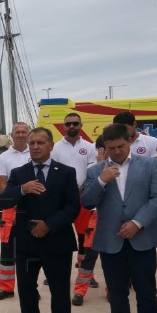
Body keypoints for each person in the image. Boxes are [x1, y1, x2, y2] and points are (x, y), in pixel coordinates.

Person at [82, 123, 157, 313]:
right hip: (111, 241)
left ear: (129, 142)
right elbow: (87, 202)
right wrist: (101, 181)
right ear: (104, 148)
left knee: (146, 291)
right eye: (111, 148)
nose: (117, 152)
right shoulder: (96, 171)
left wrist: (137, 223)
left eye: (120, 146)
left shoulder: (149, 165)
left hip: (142, 238)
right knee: (117, 292)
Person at [0, 128, 80, 313]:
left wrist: (49, 225)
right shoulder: (19, 174)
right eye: (32, 143)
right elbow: (4, 201)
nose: (35, 147)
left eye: (40, 143)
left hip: (57, 240)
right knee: (26, 287)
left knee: (59, 288)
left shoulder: (66, 172)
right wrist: (21, 190)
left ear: (51, 145)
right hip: (26, 243)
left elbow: (73, 207)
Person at [0, 122, 31, 301]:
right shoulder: (4, 158)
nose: (21, 135)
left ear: (29, 134)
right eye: (18, 132)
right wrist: (19, 193)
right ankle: (6, 288)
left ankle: (31, 288)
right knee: (7, 249)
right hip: (12, 208)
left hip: (34, 207)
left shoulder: (37, 153)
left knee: (32, 251)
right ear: (11, 135)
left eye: (24, 132)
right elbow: (1, 185)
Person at [51, 112, 97, 269]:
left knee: (84, 236)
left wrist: (82, 189)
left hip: (84, 196)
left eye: (75, 123)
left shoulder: (90, 147)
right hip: (62, 198)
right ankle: (56, 270)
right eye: (68, 124)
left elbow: (92, 170)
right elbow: (53, 172)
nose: (72, 126)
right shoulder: (55, 148)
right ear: (64, 127)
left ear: (81, 126)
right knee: (59, 234)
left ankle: (84, 269)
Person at [72, 136, 107, 306]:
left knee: (112, 258)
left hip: (115, 218)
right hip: (95, 216)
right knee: (88, 256)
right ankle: (79, 291)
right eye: (105, 148)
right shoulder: (92, 169)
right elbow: (88, 196)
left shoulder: (126, 168)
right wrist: (101, 167)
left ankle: (112, 290)